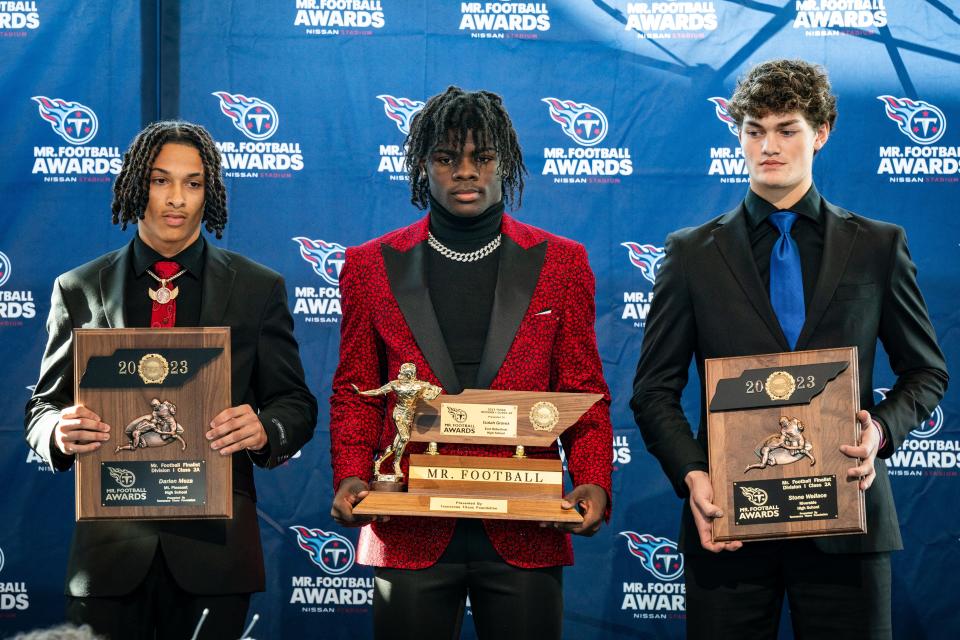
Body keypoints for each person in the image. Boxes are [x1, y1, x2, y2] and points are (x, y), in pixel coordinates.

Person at [631, 59, 948, 639]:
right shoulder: (690, 254)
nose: (767, 146)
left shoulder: (879, 246)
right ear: (738, 135)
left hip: (847, 522)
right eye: (754, 130)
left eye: (786, 129)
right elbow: (653, 391)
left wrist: (878, 432)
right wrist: (694, 475)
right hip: (728, 522)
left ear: (821, 133)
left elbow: (926, 372)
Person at [329, 86, 612, 640]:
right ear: (421, 166)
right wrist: (352, 474)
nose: (465, 172)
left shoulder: (563, 263)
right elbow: (356, 389)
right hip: (406, 522)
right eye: (445, 158)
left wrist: (595, 478)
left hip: (526, 524)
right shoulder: (368, 266)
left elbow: (583, 386)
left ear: (503, 162)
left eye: (481, 157)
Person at [24, 121, 318, 640]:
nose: (176, 198)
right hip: (110, 553)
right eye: (160, 181)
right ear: (138, 186)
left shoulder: (257, 287)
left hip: (217, 550)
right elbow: (42, 406)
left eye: (193, 182)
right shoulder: (77, 288)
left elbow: (294, 402)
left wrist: (264, 428)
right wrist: (55, 430)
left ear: (210, 192)